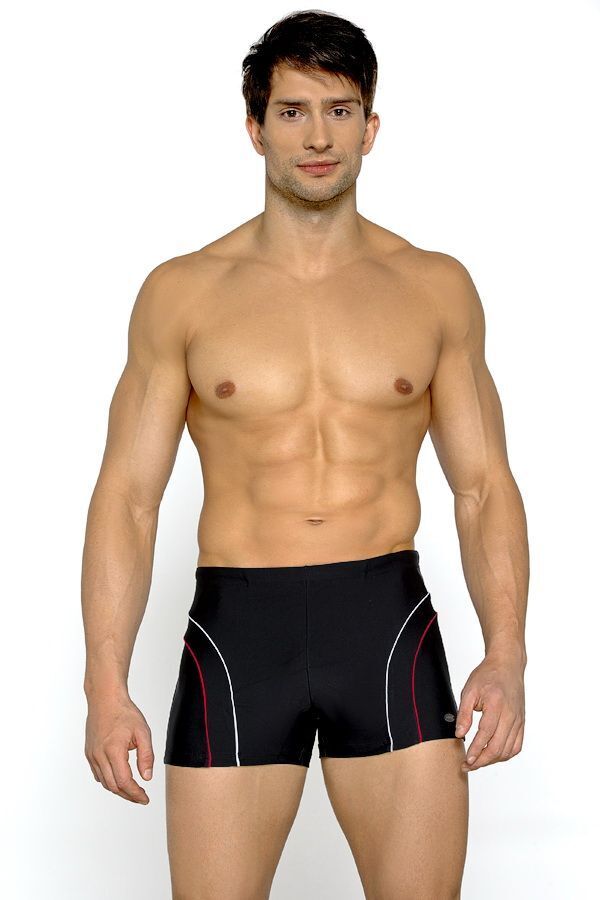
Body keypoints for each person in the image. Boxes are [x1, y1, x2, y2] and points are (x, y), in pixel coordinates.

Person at [81, 10, 529, 899]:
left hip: (386, 628)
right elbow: (128, 498)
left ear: (371, 127)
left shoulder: (435, 288)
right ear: (255, 129)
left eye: (339, 109)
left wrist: (507, 652)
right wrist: (105, 683)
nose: (318, 136)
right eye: (292, 111)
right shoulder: (183, 293)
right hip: (238, 637)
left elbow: (483, 486)